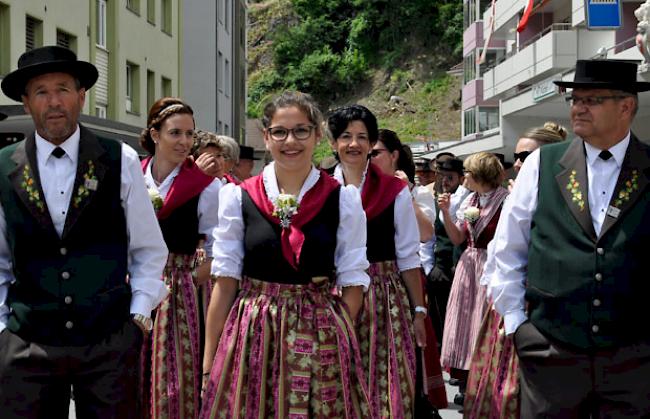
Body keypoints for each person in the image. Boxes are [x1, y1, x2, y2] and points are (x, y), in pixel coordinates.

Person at [0, 45, 168, 418]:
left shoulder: (118, 158)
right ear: (26, 103)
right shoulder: (2, 168)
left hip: (108, 340)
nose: (54, 101)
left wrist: (138, 317)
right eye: (41, 92)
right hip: (28, 343)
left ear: (81, 96)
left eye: (62, 88)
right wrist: (2, 332)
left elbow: (147, 248)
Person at [489, 59, 650, 417]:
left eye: (592, 100)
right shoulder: (542, 163)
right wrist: (517, 324)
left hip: (635, 359)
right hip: (551, 350)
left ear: (626, 107)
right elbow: (506, 249)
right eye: (575, 99)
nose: (578, 107)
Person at [200, 91, 371, 418]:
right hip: (255, 333)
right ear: (266, 137)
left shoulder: (342, 199)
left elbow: (352, 280)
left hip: (322, 333)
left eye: (301, 130)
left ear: (318, 135)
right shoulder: (238, 197)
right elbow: (224, 284)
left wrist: (335, 333)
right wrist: (210, 362)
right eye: (280, 131)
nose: (290, 140)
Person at [327, 105, 429, 417]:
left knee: (386, 385)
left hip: (383, 298)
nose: (353, 144)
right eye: (345, 136)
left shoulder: (393, 190)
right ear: (333, 143)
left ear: (372, 144)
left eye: (362, 137)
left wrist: (419, 311)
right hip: (332, 295)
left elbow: (408, 256)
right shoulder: (320, 189)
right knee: (334, 380)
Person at [464, 122, 567, 419]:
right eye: (518, 157)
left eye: (528, 156)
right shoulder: (515, 196)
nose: (520, 163)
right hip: (510, 309)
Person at [139, 98, 221, 419]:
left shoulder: (205, 187)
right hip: (131, 282)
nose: (185, 141)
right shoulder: (132, 174)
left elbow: (218, 249)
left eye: (189, 134)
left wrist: (189, 277)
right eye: (175, 133)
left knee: (172, 378)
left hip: (175, 288)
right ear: (155, 134)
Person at [438, 152, 508, 406]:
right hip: (468, 266)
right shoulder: (471, 199)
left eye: (468, 172)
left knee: (483, 323)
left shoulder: (505, 201)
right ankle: (468, 380)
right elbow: (457, 238)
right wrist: (446, 212)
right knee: (465, 324)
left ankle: (487, 381)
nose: (464, 176)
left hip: (491, 266)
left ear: (480, 175)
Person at [428, 156, 466, 344]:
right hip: (441, 270)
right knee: (442, 320)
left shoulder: (469, 199)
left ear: (461, 177)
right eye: (442, 176)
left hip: (462, 271)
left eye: (450, 177)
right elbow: (430, 239)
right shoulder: (436, 201)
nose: (445, 181)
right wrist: (430, 268)